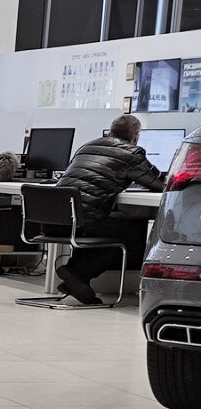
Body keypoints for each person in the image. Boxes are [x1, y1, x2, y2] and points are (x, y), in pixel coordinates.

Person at [51, 114, 164, 306]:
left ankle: (76, 281)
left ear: (110, 132)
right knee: (132, 233)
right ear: (136, 136)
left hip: (54, 220)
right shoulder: (132, 153)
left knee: (106, 222)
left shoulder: (86, 147)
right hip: (82, 222)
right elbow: (158, 183)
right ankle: (75, 273)